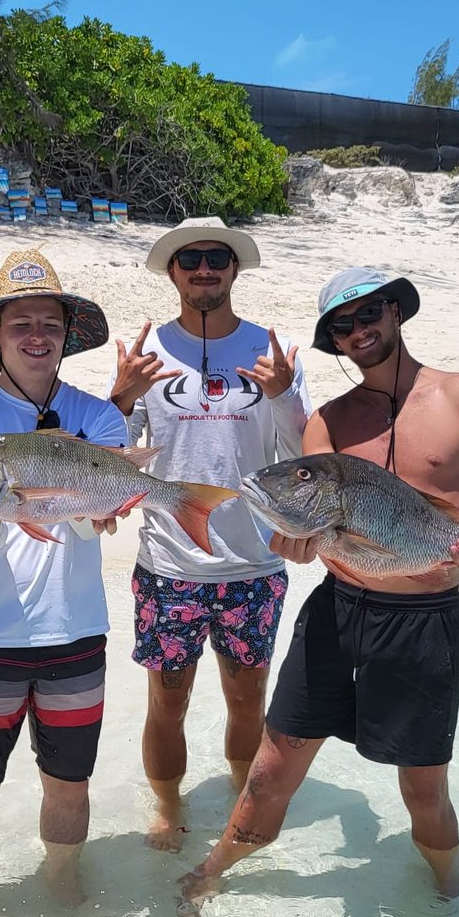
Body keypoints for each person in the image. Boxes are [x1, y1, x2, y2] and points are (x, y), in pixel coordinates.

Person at [177, 266, 459, 917]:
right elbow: (312, 528)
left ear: (395, 312)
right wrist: (296, 546)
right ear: (335, 341)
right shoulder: (328, 424)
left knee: (423, 791)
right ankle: (213, 871)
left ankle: (451, 895)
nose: (359, 331)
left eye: (369, 313)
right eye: (343, 325)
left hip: (426, 623)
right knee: (269, 772)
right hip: (337, 614)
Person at [0, 248, 127, 917]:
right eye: (20, 324)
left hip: (76, 632)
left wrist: (98, 510)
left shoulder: (100, 420)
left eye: (50, 323)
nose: (36, 336)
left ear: (67, 335)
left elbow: (92, 528)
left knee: (70, 786)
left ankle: (63, 888)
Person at [109, 216, 313, 851]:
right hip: (169, 569)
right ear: (173, 271)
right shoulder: (148, 354)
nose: (204, 269)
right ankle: (168, 809)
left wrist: (283, 396)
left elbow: (301, 456)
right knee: (166, 703)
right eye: (190, 259)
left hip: (255, 566)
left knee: (248, 702)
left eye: (217, 258)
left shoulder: (271, 353)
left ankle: (239, 803)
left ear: (234, 269)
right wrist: (120, 399)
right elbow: (110, 458)